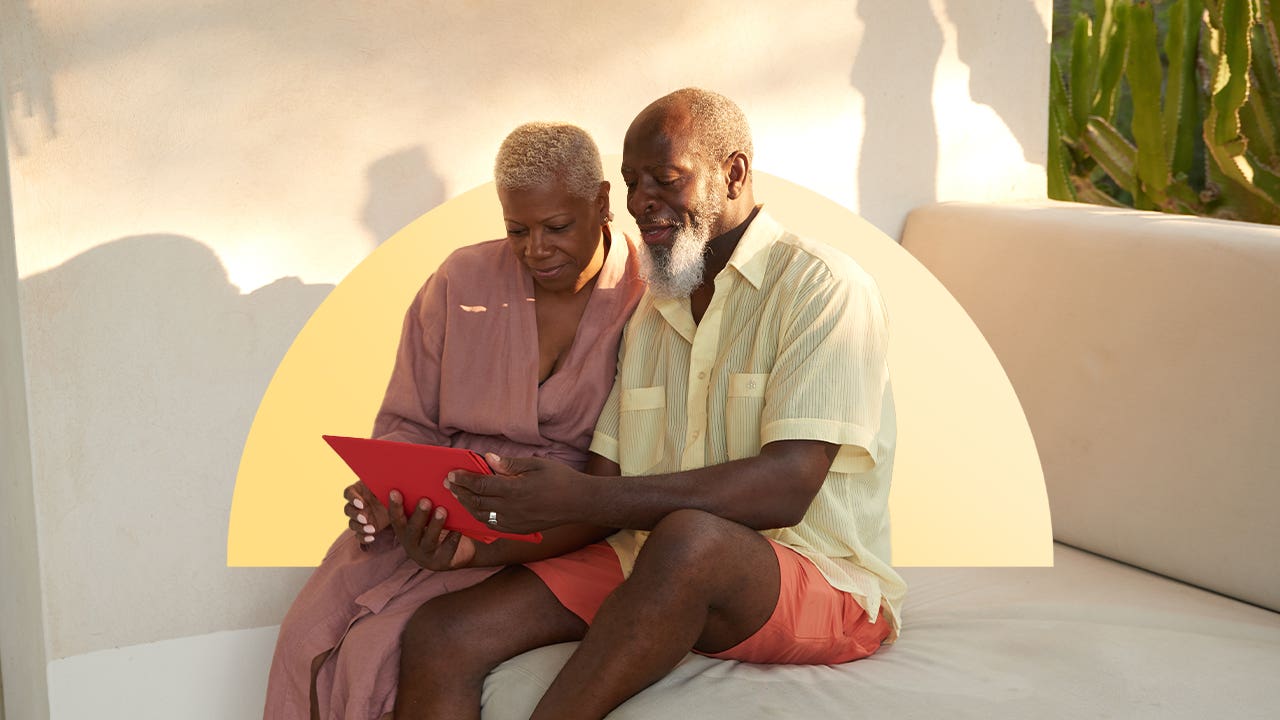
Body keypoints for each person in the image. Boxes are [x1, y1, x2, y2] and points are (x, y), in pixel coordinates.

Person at [389, 88, 906, 720]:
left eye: (666, 178)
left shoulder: (823, 287)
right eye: (633, 182)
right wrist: (479, 546)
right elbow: (604, 492)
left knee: (689, 540)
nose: (640, 202)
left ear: (734, 173)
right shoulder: (655, 310)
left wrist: (581, 496)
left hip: (819, 581)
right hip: (658, 563)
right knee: (442, 631)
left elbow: (786, 486)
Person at [262, 122, 646, 720]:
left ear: (601, 202)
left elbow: (626, 473)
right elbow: (409, 421)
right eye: (517, 230)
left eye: (556, 227)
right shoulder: (460, 279)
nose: (535, 250)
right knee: (305, 635)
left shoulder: (648, 298)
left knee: (375, 652)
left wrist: (491, 528)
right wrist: (385, 491)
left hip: (560, 527)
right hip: (435, 511)